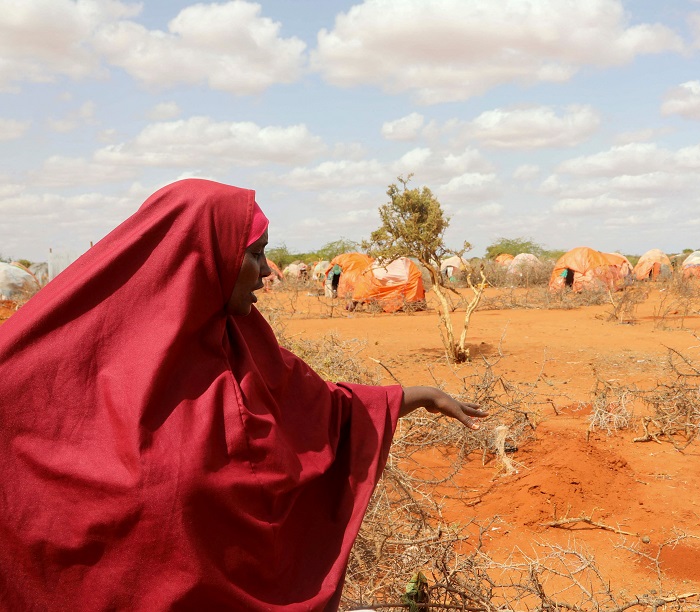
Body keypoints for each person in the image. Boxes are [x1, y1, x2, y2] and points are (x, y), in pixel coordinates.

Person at [0, 178, 486, 610]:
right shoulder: (83, 359)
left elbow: (321, 408)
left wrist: (420, 396)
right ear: (202, 254)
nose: (268, 269)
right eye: (254, 253)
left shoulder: (248, 343)